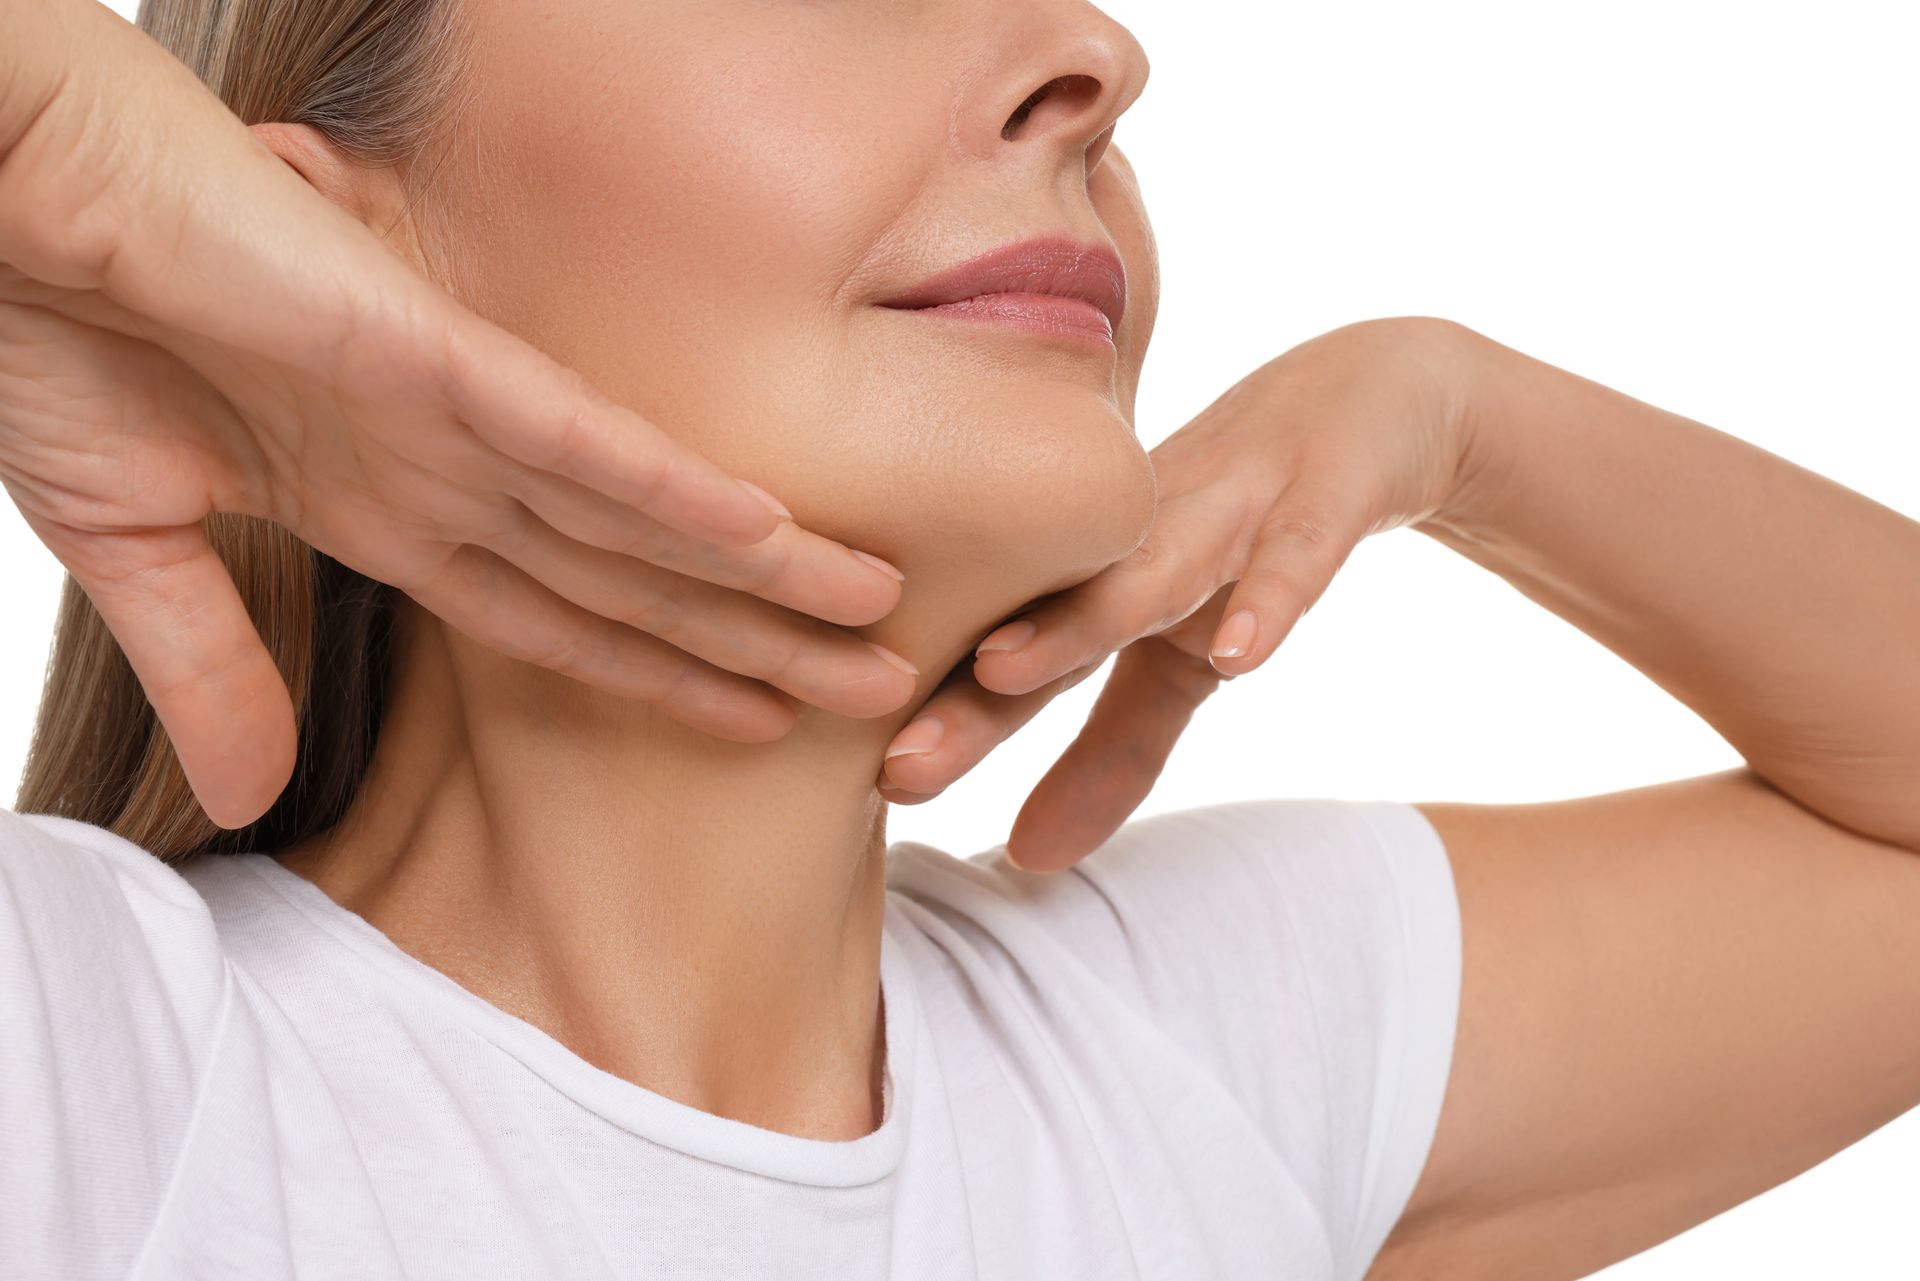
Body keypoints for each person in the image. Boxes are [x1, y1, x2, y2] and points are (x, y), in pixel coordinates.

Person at [3, 2, 1917, 1279]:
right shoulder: (88, 1061)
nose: (1097, 56)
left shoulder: (1199, 1046)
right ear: (306, 248)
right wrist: (54, 173)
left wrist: (1469, 424)